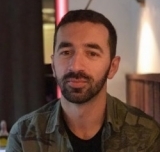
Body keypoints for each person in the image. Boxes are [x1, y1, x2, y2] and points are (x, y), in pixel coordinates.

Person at [6, 9, 160, 152]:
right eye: (66, 52)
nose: (76, 66)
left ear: (112, 67)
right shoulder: (24, 135)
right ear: (53, 66)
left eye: (92, 53)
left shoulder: (145, 133)